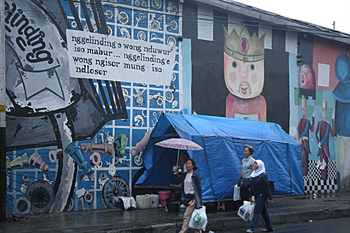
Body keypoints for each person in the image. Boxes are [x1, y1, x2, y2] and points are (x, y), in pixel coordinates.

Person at [174, 158, 203, 233]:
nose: (187, 165)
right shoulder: (185, 175)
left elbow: (199, 189)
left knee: (186, 215)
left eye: (189, 163)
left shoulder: (196, 176)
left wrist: (199, 201)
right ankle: (198, 231)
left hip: (193, 198)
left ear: (193, 165)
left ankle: (183, 231)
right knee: (194, 216)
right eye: (186, 163)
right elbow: (176, 181)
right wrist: (176, 172)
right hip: (186, 197)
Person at [246, 160, 274, 233]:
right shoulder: (253, 174)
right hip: (256, 194)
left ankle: (251, 228)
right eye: (254, 163)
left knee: (257, 210)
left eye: (256, 164)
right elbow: (252, 186)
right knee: (263, 211)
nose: (254, 165)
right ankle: (269, 226)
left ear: (260, 165)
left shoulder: (263, 175)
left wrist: (270, 198)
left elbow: (267, 187)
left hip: (262, 194)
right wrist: (250, 195)